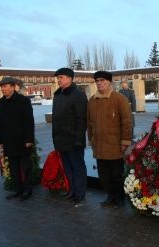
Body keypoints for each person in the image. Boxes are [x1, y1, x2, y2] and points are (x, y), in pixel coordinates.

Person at [87, 71, 132, 208]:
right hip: (99, 146)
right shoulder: (92, 101)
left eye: (103, 80)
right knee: (104, 176)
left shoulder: (119, 99)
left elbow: (127, 122)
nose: (100, 83)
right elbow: (89, 123)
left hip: (115, 146)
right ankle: (110, 196)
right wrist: (91, 139)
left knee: (116, 175)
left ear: (109, 82)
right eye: (97, 80)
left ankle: (119, 199)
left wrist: (125, 141)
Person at [52, 67, 88, 205]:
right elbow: (56, 119)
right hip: (61, 140)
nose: (58, 80)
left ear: (69, 78)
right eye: (58, 78)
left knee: (78, 167)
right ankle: (72, 190)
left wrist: (79, 139)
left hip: (73, 140)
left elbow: (82, 119)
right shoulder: (58, 95)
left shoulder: (78, 95)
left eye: (61, 77)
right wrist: (55, 138)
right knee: (67, 167)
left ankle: (80, 193)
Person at [0, 76, 35, 201]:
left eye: (6, 86)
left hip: (22, 141)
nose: (3, 89)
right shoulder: (0, 103)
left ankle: (28, 190)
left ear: (13, 87)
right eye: (2, 86)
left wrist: (29, 139)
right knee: (13, 168)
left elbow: (29, 121)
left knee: (25, 167)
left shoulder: (23, 101)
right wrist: (0, 141)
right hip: (8, 141)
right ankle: (18, 189)